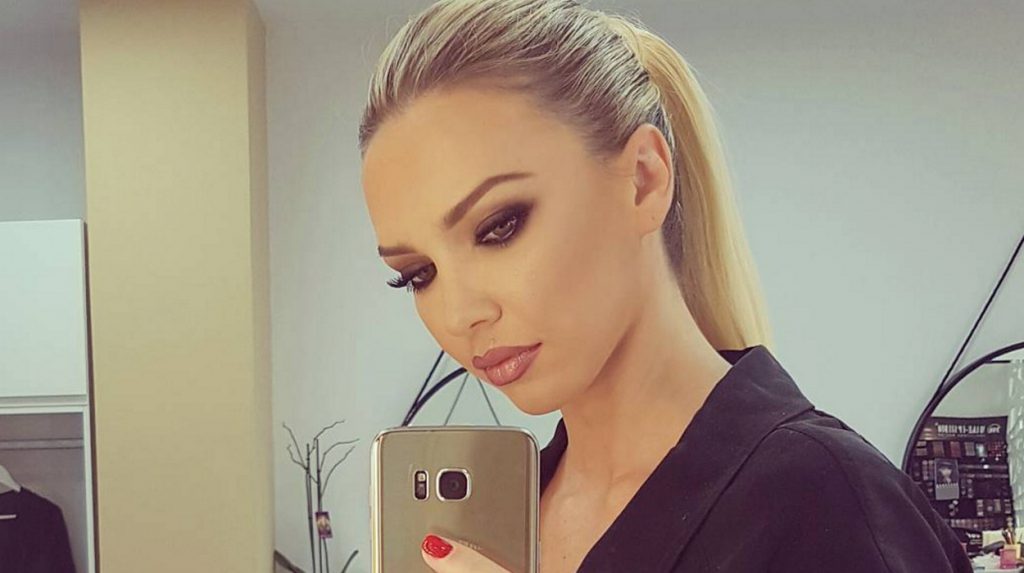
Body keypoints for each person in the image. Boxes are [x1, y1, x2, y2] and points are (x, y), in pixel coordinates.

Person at [357, 1, 973, 571]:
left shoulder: (824, 499)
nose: (458, 314)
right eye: (418, 275)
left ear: (643, 181)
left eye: (499, 227)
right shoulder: (510, 518)